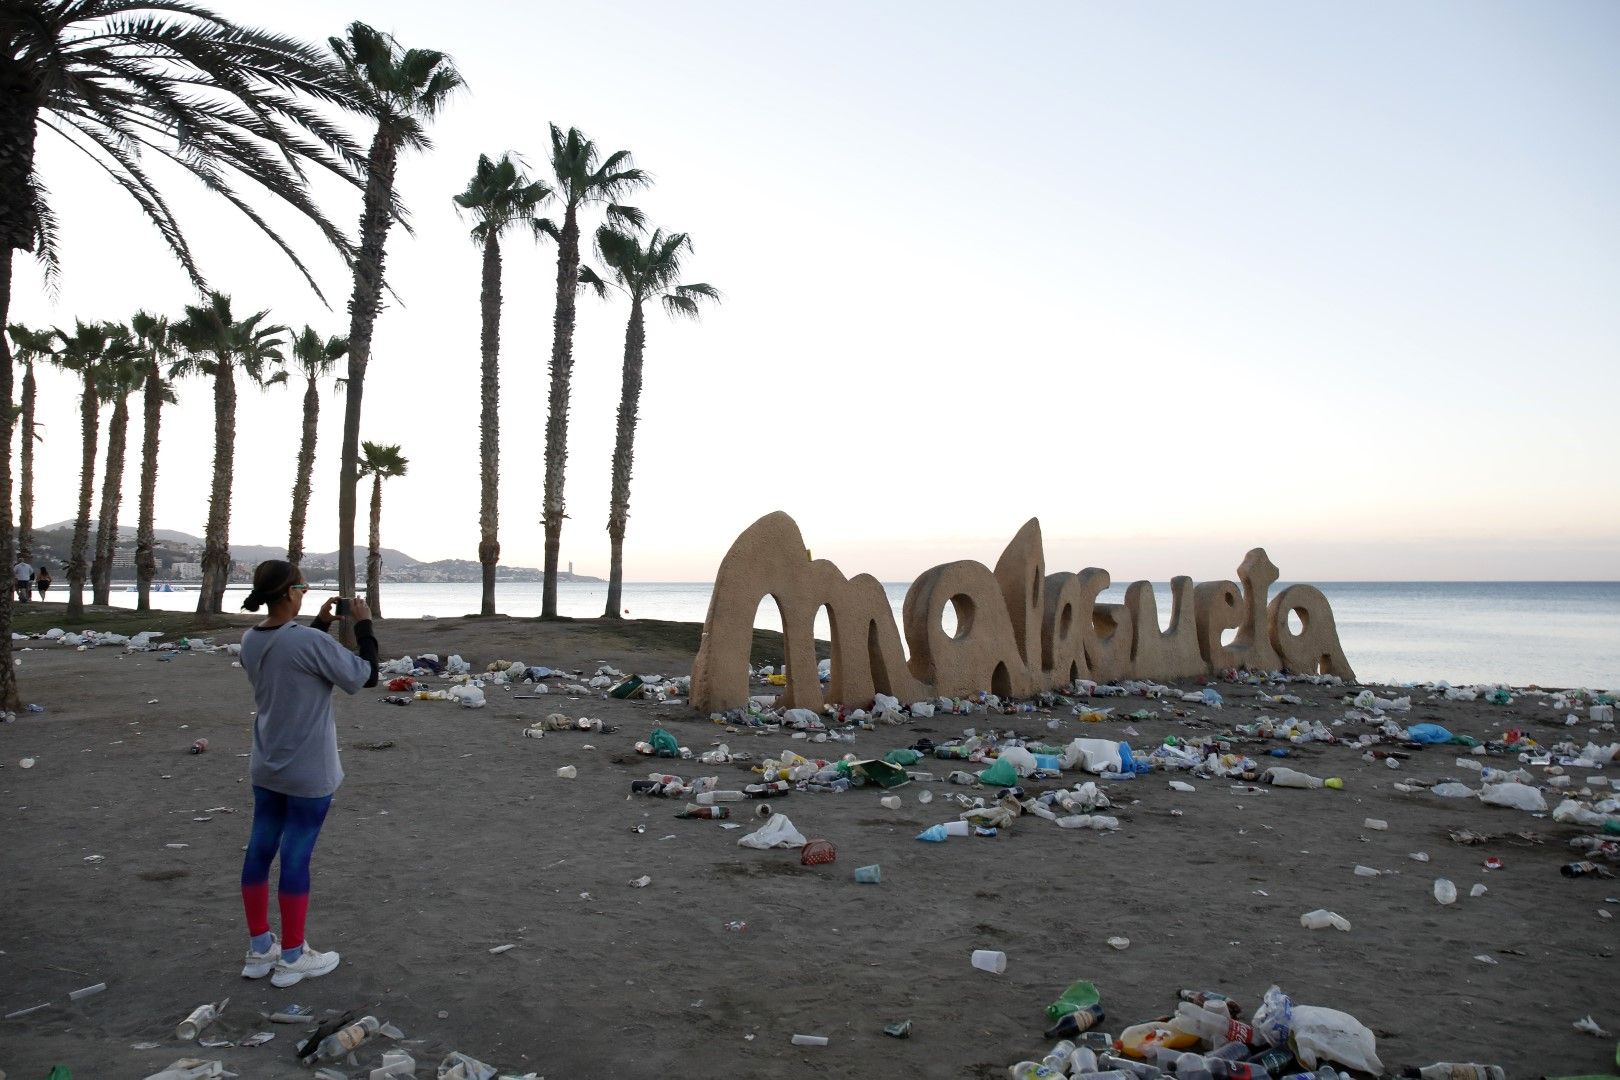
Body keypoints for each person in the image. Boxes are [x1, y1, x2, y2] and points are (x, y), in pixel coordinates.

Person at [237, 560, 378, 987]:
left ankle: (261, 949)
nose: (306, 590)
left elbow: (292, 657)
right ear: (291, 592)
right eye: (303, 585)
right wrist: (364, 625)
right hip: (308, 769)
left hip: (269, 763)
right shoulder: (300, 642)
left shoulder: (252, 638)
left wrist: (319, 621)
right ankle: (294, 955)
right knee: (296, 856)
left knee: (260, 851)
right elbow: (364, 676)